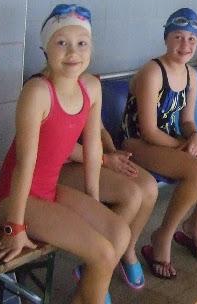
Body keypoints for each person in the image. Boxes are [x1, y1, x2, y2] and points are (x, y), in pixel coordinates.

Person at [0, 4, 130, 304]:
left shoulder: (91, 87)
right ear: (45, 49)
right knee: (104, 254)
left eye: (81, 43)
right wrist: (14, 227)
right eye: (62, 43)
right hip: (17, 198)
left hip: (50, 191)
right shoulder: (38, 93)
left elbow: (92, 147)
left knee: (120, 233)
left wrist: (93, 201)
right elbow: (24, 163)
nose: (72, 52)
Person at [121, 8, 197, 280]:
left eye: (191, 39)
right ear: (166, 39)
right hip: (137, 143)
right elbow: (148, 130)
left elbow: (187, 121)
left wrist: (195, 137)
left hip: (172, 140)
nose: (185, 45)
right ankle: (163, 236)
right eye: (178, 37)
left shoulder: (191, 75)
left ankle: (195, 227)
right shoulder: (152, 72)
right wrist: (188, 147)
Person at [59, 122, 158, 290]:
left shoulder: (91, 102)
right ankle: (94, 270)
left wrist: (112, 152)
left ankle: (126, 250)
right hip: (60, 165)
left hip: (92, 158)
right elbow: (61, 144)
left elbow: (99, 129)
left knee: (149, 187)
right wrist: (105, 160)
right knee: (131, 196)